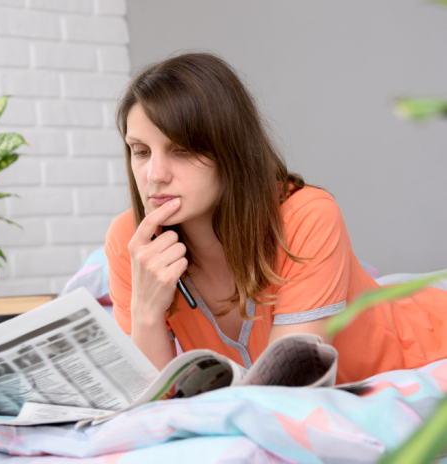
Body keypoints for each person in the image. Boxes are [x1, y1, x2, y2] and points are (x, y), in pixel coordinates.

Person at [105, 52, 447, 384]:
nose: (155, 174)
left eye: (182, 149)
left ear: (230, 150)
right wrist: (147, 314)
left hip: (428, 343)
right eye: (141, 151)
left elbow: (288, 387)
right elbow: (149, 407)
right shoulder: (128, 242)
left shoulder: (308, 215)